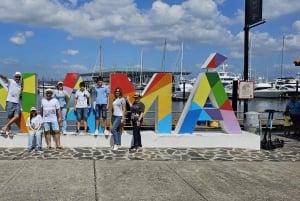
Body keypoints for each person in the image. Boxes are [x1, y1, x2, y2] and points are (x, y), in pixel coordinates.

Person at [0, 72, 23, 136]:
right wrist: (0, 75)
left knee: (17, 116)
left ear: (20, 78)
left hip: (17, 103)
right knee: (9, 117)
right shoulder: (11, 81)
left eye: (18, 77)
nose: (17, 78)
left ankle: (5, 127)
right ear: (14, 77)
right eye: (16, 76)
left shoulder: (20, 84)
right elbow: (5, 77)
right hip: (10, 101)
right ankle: (9, 130)